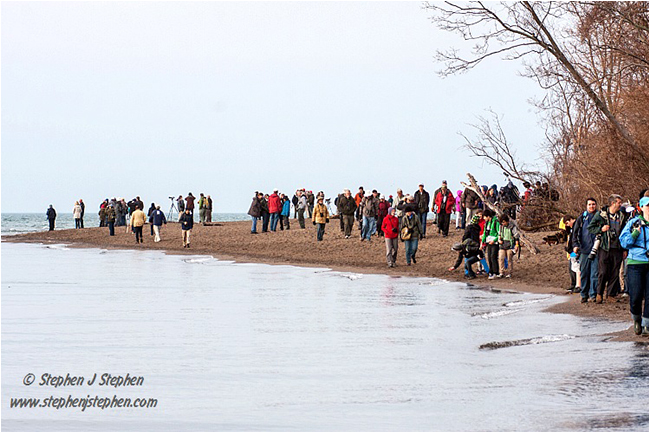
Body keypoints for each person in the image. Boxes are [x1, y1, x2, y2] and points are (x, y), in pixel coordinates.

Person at [588, 194, 627, 303]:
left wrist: (625, 249)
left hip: (617, 248)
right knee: (603, 272)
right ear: (612, 203)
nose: (620, 205)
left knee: (615, 272)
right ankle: (599, 293)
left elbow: (624, 232)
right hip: (605, 247)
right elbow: (590, 227)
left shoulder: (622, 216)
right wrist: (601, 229)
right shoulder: (601, 215)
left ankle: (610, 294)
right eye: (619, 202)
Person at [619, 196, 649, 335]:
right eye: (647, 205)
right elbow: (624, 242)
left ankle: (647, 323)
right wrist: (635, 233)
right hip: (635, 262)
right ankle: (636, 319)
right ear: (641, 207)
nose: (649, 208)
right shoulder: (633, 222)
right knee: (636, 295)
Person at [572, 198, 599, 303]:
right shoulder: (582, 218)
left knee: (595, 274)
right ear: (586, 206)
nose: (591, 206)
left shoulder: (600, 217)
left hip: (596, 250)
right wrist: (575, 245)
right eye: (589, 204)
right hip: (584, 250)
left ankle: (593, 295)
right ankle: (584, 294)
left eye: (593, 204)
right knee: (584, 273)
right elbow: (575, 233)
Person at [560, 215, 580, 294]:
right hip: (572, 252)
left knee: (576, 269)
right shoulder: (571, 229)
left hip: (575, 251)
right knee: (572, 268)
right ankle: (574, 284)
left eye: (567, 223)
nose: (567, 225)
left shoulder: (576, 226)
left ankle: (576, 285)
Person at [497, 214, 520, 278]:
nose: (503, 223)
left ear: (507, 221)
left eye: (504, 222)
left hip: (510, 245)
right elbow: (499, 234)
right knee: (501, 258)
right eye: (502, 222)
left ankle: (510, 272)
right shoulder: (501, 227)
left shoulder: (512, 227)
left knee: (509, 259)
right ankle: (501, 272)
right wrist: (499, 240)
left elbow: (516, 236)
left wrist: (517, 245)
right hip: (502, 244)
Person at [481, 209, 500, 279]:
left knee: (493, 256)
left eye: (485, 217)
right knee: (489, 257)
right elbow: (485, 233)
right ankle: (491, 271)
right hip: (489, 242)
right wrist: (482, 242)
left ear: (488, 216)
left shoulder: (495, 222)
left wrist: (495, 240)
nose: (484, 219)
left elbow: (499, 233)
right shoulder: (487, 223)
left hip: (494, 242)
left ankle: (496, 272)